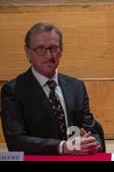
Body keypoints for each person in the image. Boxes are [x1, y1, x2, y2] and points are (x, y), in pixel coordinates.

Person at [1, 22, 103, 155]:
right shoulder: (14, 91)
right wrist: (62, 147)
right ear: (27, 52)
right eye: (41, 50)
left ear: (61, 51)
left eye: (54, 48)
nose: (49, 56)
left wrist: (90, 143)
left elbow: (91, 131)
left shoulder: (76, 86)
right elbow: (15, 141)